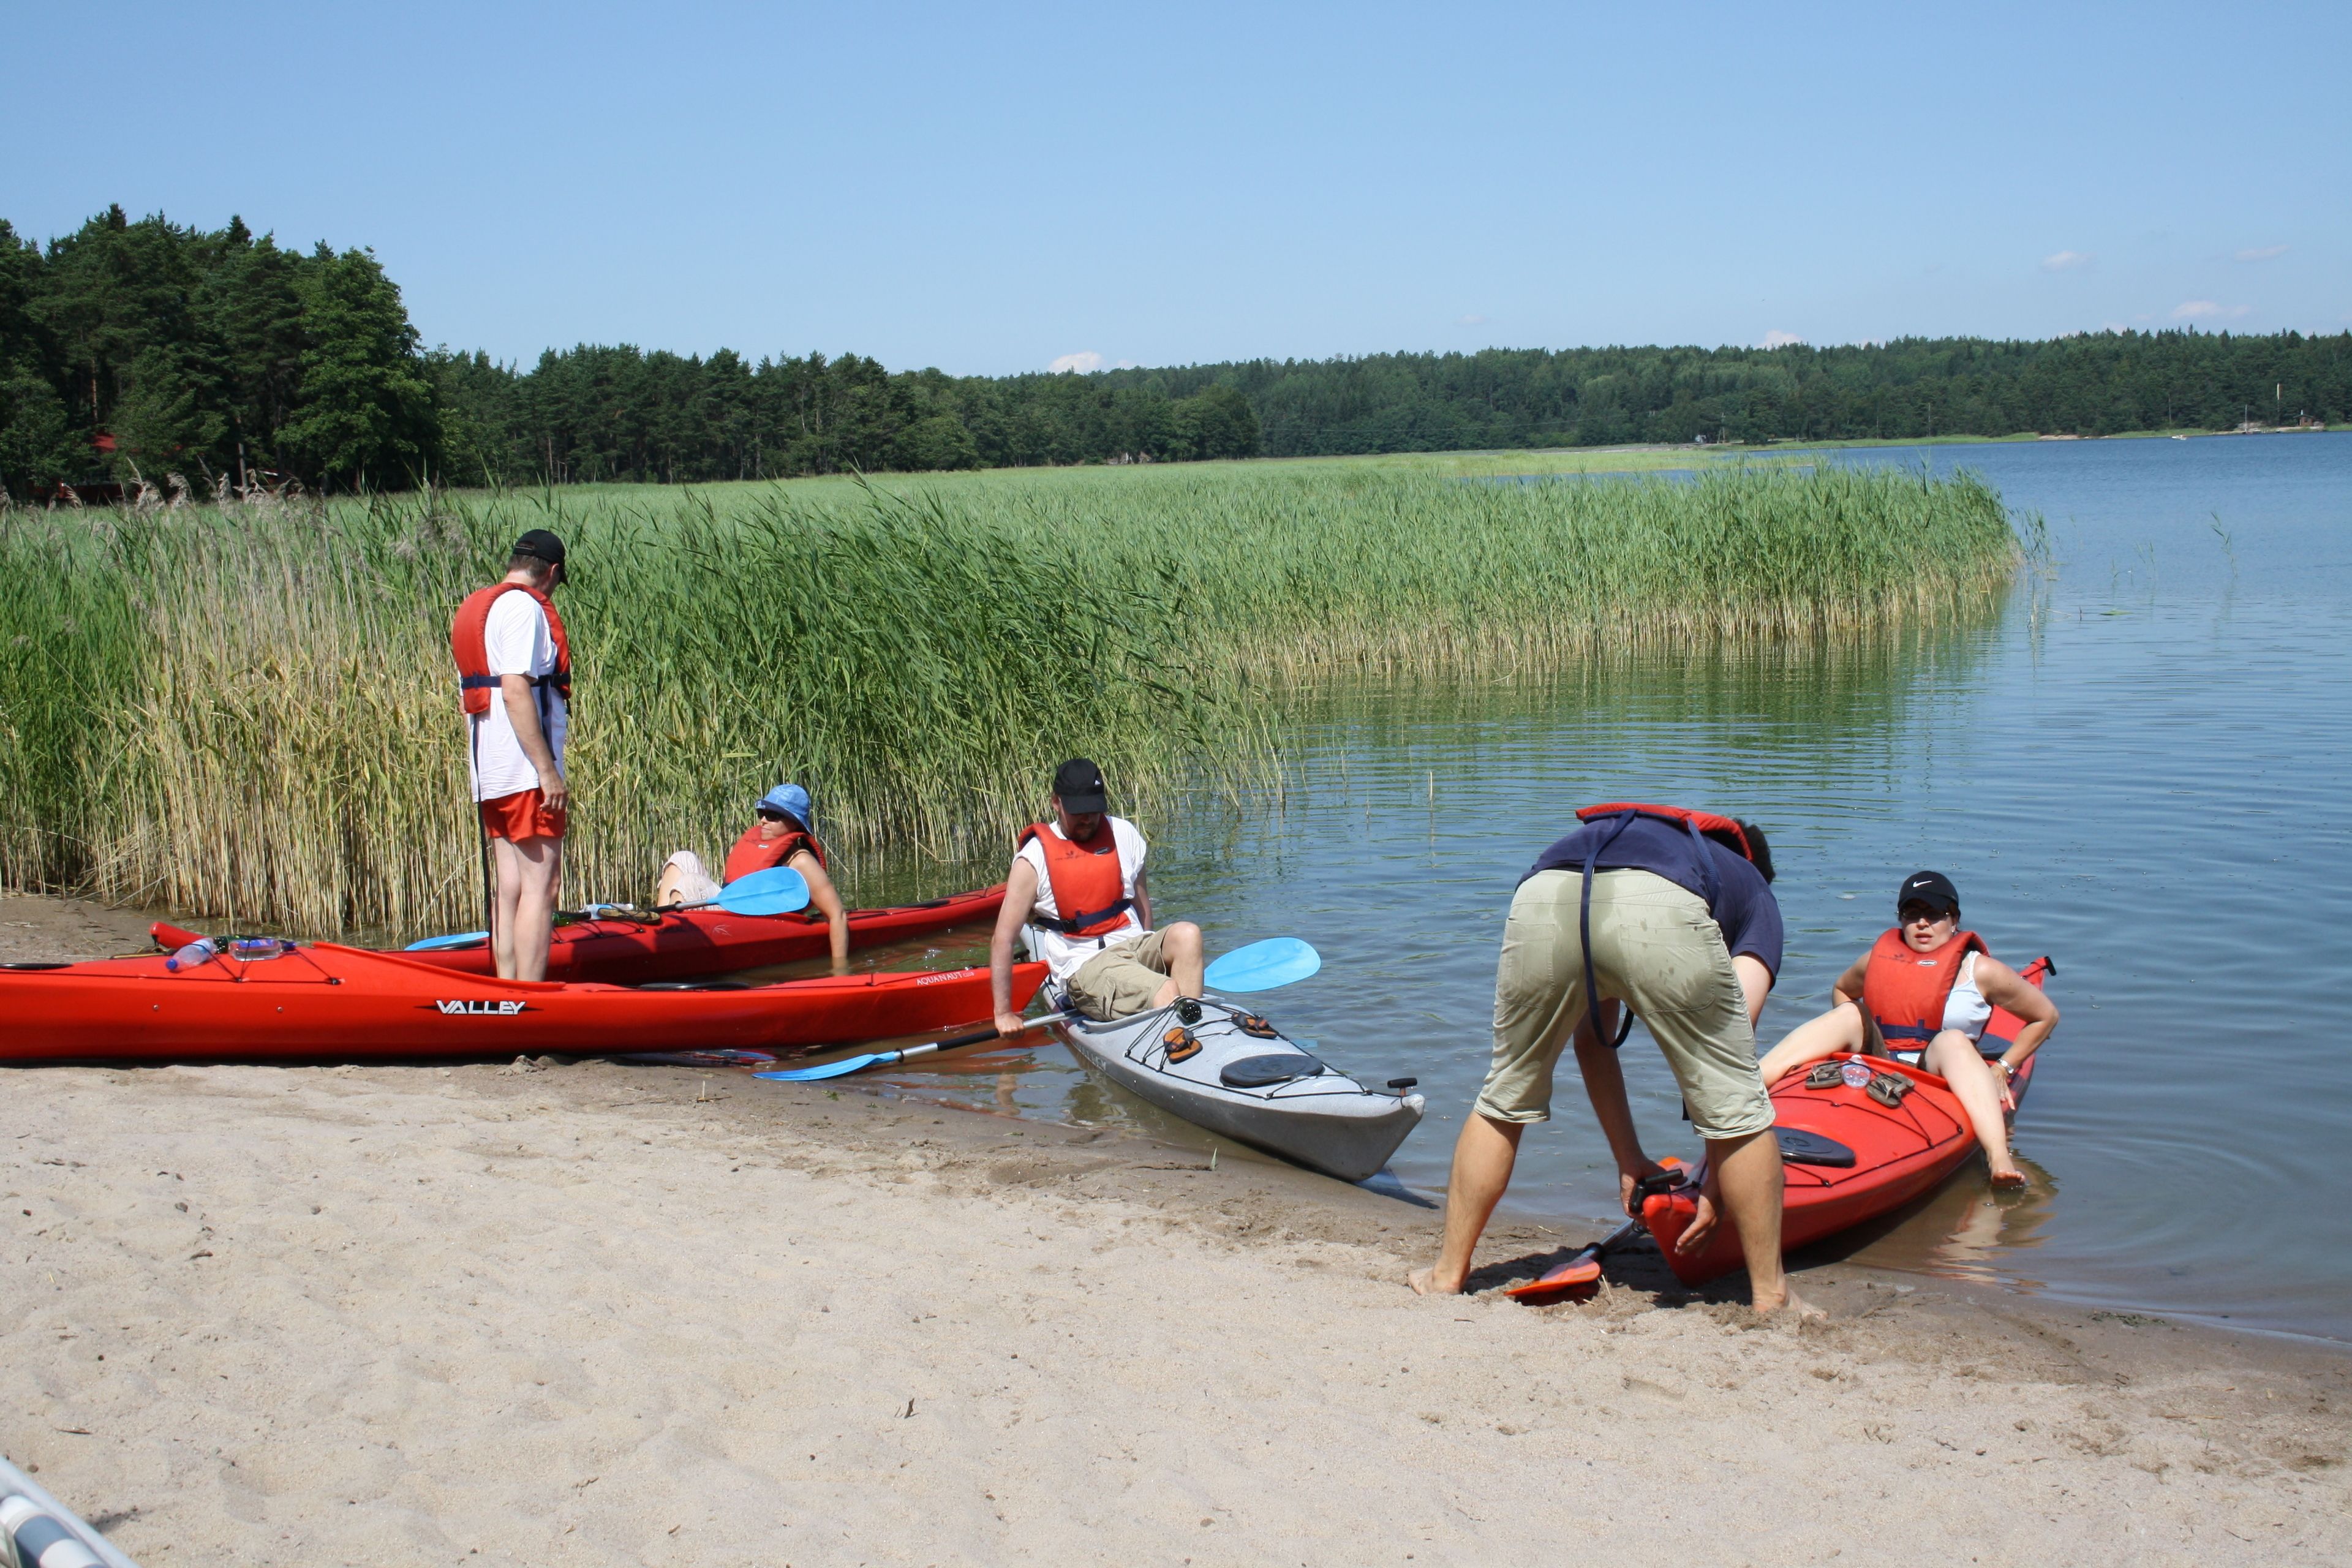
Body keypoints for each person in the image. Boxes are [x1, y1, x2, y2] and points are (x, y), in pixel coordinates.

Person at [1412, 802, 1817, 1317]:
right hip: (1656, 904)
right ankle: (1771, 1295)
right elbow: (1731, 1069)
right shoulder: (1755, 890)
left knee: (1505, 1092)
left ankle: (1447, 1273)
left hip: (1547, 891)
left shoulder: (1647, 840)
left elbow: (1594, 1039)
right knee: (1737, 1100)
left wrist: (1630, 1159)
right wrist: (1716, 1185)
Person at [1755, 870, 2058, 1189]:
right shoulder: (1876, 959)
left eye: (1934, 914)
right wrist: (1853, 1049)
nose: (1922, 923)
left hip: (1940, 1067)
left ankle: (1999, 1159)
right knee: (1848, 1013)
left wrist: (2002, 1068)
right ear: (1900, 920)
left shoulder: (1982, 971)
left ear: (1954, 920)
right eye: (1912, 914)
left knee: (1953, 1040)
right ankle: (1750, 1083)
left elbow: (2045, 1017)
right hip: (1881, 1059)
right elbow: (1843, 989)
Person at [989, 758, 1204, 1037]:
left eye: (1093, 810)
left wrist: (1146, 966)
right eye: (1078, 811)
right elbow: (1003, 939)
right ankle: (1177, 1031)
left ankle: (1190, 1025)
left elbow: (1142, 907)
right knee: (1165, 988)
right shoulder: (1033, 859)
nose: (1088, 818)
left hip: (1132, 947)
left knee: (1189, 934)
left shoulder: (1123, 834)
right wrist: (1004, 1013)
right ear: (1056, 802)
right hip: (1084, 966)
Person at [450, 529, 571, 982]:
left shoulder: (478, 603)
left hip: (490, 770)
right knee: (543, 886)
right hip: (524, 771)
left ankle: (507, 993)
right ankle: (529, 998)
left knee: (511, 887)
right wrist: (548, 771)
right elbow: (517, 689)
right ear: (553, 572)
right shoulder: (524, 608)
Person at [654, 783, 850, 972]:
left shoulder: (802, 861)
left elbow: (837, 915)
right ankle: (657, 927)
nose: (763, 820)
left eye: (773, 816)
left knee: (690, 882)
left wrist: (839, 970)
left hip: (750, 924)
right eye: (762, 813)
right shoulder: (760, 846)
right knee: (683, 857)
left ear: (794, 823)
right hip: (732, 910)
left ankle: (666, 943)